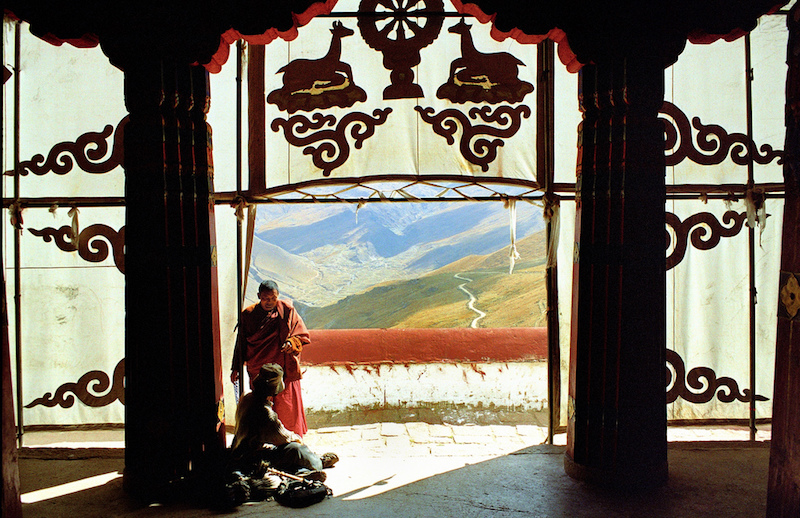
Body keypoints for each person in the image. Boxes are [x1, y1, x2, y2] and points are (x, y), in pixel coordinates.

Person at [232, 280, 311, 436]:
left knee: (286, 404)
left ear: (278, 296)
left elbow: (301, 334)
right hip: (259, 369)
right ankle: (263, 437)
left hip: (283, 368)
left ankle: (289, 436)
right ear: (258, 296)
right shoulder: (248, 315)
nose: (269, 302)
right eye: (265, 298)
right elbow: (240, 343)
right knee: (262, 404)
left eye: (273, 298)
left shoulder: (286, 310)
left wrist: (291, 342)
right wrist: (236, 367)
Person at [230, 363, 335, 476]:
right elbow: (282, 438)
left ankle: (303, 471)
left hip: (238, 451)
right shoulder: (266, 412)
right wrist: (297, 438)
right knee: (296, 449)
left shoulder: (246, 397)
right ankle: (318, 463)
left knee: (287, 450)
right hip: (252, 458)